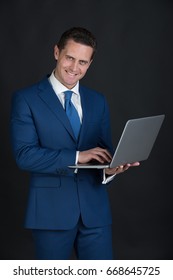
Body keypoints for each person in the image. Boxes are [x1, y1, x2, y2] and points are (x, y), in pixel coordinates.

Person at [10, 27, 139, 260]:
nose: (74, 68)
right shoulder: (26, 99)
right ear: (57, 52)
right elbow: (25, 155)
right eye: (70, 58)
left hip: (95, 214)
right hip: (50, 213)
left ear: (89, 64)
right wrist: (77, 156)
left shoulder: (97, 100)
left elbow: (103, 151)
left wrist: (110, 170)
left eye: (83, 62)